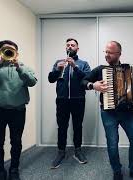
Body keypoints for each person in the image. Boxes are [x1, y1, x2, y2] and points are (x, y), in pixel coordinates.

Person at [82, 41, 133, 180]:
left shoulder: (129, 71)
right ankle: (117, 170)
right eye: (105, 52)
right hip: (108, 113)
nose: (107, 55)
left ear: (119, 54)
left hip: (127, 112)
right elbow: (83, 81)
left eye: (110, 52)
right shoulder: (101, 69)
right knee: (112, 143)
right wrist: (92, 85)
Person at [0, 40, 37, 180]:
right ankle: (0, 171)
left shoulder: (23, 67)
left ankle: (14, 169)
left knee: (16, 141)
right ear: (1, 52)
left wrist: (18, 67)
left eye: (11, 50)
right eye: (5, 50)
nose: (8, 52)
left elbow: (32, 82)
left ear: (17, 53)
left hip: (18, 111)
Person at [48, 38, 91, 168]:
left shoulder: (83, 63)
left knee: (78, 126)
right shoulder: (58, 62)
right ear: (65, 48)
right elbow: (51, 79)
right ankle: (61, 152)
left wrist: (75, 67)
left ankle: (78, 151)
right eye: (68, 45)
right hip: (62, 100)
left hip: (78, 100)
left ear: (77, 48)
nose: (70, 47)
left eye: (72, 45)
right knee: (62, 126)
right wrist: (57, 70)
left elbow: (87, 78)